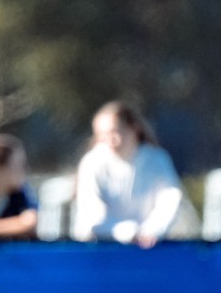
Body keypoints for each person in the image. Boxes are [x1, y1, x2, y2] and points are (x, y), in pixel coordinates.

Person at [72, 101, 198, 248]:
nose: (110, 140)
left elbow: (170, 198)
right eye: (102, 134)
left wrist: (151, 231)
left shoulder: (157, 159)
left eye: (115, 131)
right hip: (99, 251)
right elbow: (91, 212)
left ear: (134, 128)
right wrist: (126, 232)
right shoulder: (92, 162)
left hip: (149, 250)